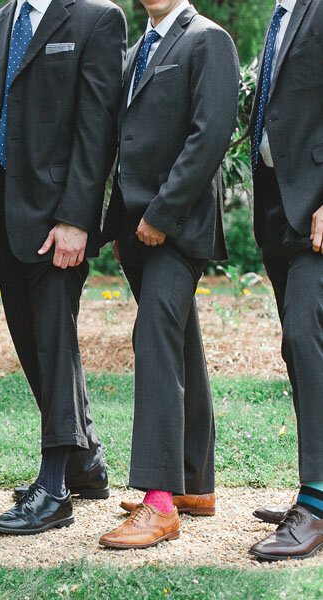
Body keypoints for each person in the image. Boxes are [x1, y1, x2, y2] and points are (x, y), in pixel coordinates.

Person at [0, 0, 126, 536]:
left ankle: (54, 487)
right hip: (6, 217)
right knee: (32, 346)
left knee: (55, 346)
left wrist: (77, 218)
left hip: (60, 218)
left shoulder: (96, 18)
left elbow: (98, 126)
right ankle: (86, 465)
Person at [98, 0, 239, 549]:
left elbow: (211, 135)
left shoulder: (209, 40)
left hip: (176, 226)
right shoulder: (137, 50)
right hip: (136, 230)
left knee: (154, 337)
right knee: (179, 339)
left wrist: (160, 214)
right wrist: (121, 225)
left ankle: (159, 500)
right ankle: (194, 482)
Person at [245, 0, 323, 562]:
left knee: (304, 336)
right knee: (301, 351)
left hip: (316, 205)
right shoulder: (281, 13)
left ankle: (316, 504)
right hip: (279, 205)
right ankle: (315, 487)